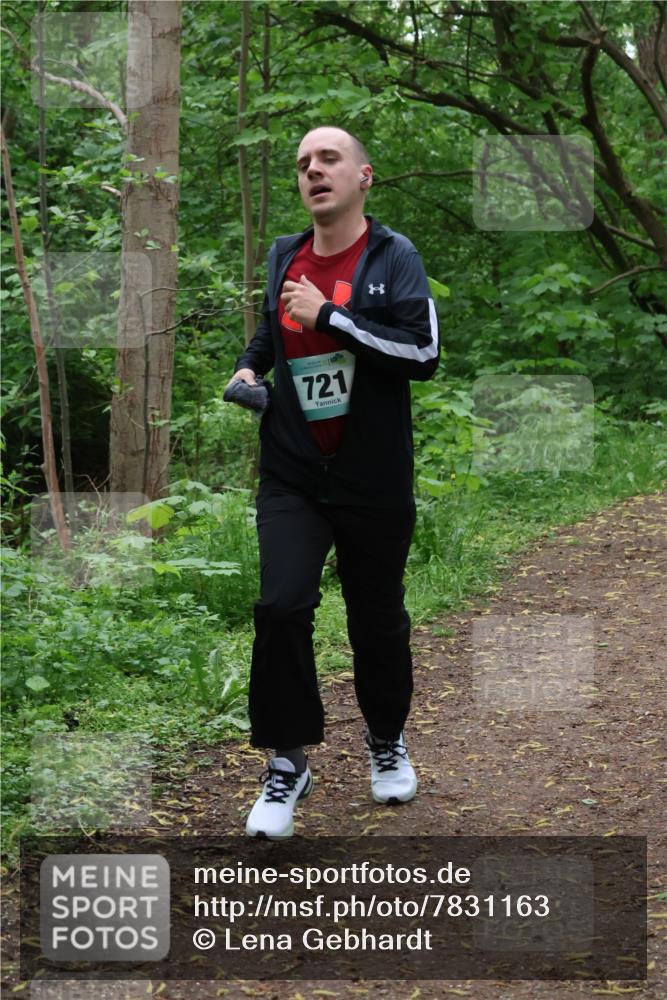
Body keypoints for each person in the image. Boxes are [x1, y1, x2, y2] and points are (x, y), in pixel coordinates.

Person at [225, 126, 440, 839]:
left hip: (372, 472)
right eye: (302, 165)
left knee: (374, 616)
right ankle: (287, 762)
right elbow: (272, 331)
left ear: (363, 176)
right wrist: (251, 368)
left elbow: (421, 352)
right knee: (280, 605)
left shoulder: (392, 255)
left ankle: (385, 739)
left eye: (327, 160)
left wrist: (335, 318)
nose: (312, 171)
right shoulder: (283, 253)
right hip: (291, 466)